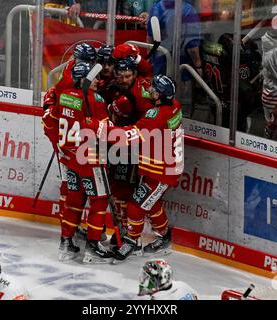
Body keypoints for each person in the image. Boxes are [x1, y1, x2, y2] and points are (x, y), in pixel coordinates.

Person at [85, 74, 184, 262]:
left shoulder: (156, 116)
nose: (151, 90)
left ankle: (131, 242)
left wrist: (100, 128)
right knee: (152, 204)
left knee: (136, 206)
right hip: (164, 168)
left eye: (154, 90)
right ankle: (165, 237)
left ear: (161, 96)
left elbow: (129, 135)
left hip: (161, 173)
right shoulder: (175, 106)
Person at [54, 61, 114, 264]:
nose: (98, 80)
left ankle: (66, 243)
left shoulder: (64, 96)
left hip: (70, 159)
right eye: (94, 77)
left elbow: (54, 119)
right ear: (84, 80)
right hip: (90, 161)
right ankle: (93, 247)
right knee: (99, 202)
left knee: (73, 202)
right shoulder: (95, 100)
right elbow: (106, 130)